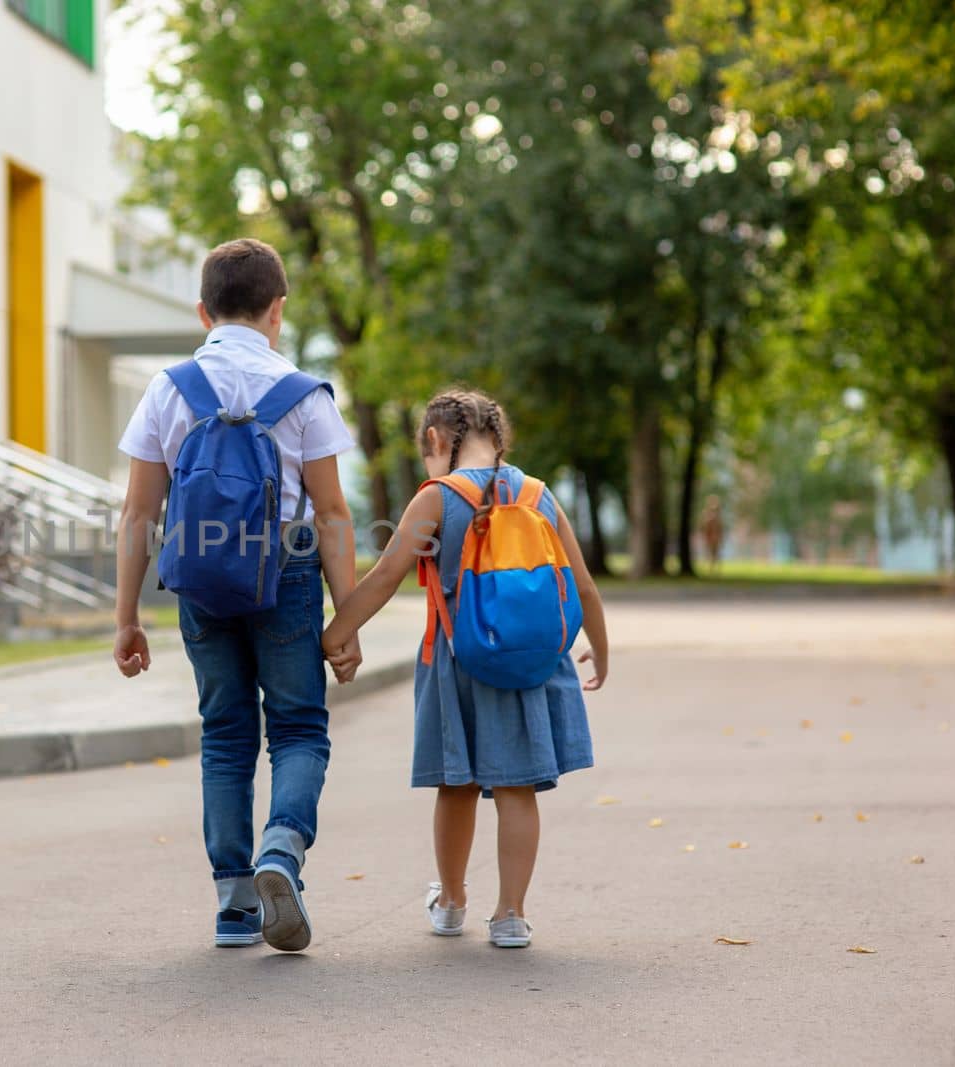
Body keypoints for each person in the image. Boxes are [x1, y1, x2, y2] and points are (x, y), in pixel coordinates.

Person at [111, 237, 360, 952]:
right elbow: (335, 515)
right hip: (285, 576)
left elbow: (138, 515)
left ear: (202, 311)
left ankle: (233, 903)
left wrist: (127, 617)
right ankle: (280, 851)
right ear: (278, 311)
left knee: (224, 734)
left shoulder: (169, 390)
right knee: (299, 730)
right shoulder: (304, 394)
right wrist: (345, 619)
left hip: (202, 584)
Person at [321, 388, 607, 948]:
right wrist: (599, 646)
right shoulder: (538, 495)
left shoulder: (437, 498)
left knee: (456, 784)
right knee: (517, 788)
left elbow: (383, 578)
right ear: (497, 438)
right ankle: (511, 916)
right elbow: (584, 585)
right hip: (530, 665)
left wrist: (334, 636)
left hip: (456, 664)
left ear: (434, 439)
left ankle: (451, 902)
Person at [701, 494, 725, 573]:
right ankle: (711, 569)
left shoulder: (718, 517)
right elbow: (705, 528)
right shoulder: (707, 515)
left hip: (716, 537)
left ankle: (716, 569)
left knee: (716, 554)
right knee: (710, 554)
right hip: (710, 537)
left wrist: (720, 537)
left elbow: (720, 528)